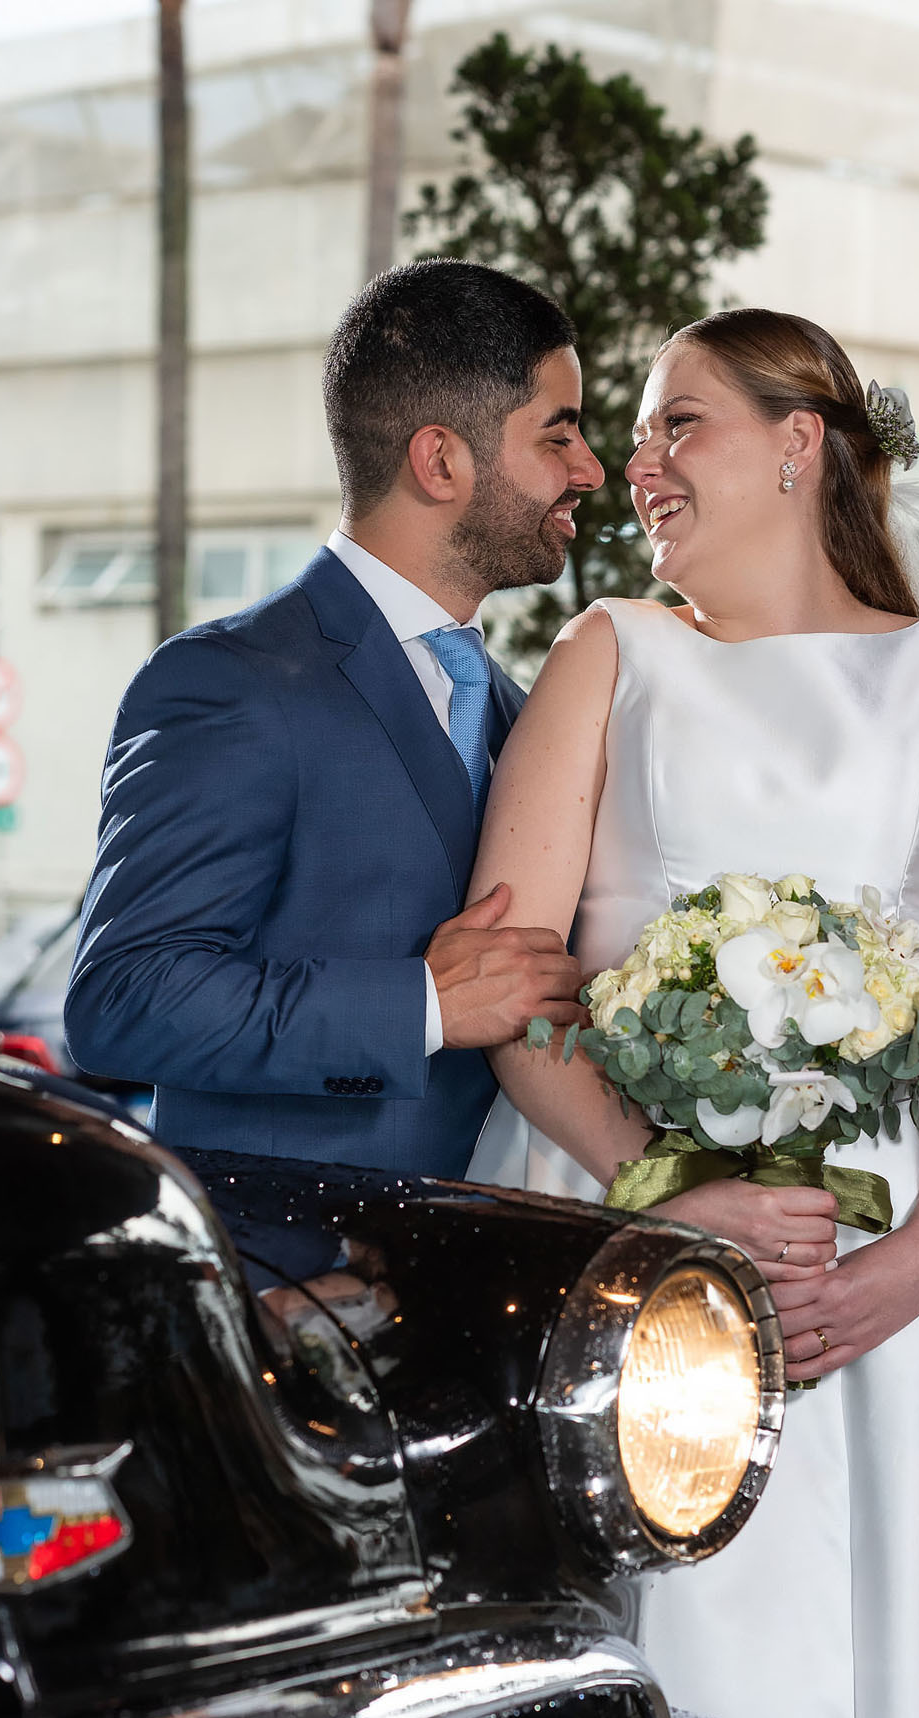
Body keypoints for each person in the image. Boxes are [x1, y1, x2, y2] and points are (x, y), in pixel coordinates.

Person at [464, 308, 919, 1718]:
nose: (640, 463)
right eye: (632, 436)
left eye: (676, 422)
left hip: (902, 1269)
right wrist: (662, 1182)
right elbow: (516, 982)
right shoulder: (608, 650)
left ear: (797, 444)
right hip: (638, 1229)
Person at [64, 259, 601, 1282]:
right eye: (558, 432)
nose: (589, 470)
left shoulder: (531, 716)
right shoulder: (230, 684)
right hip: (281, 1302)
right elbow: (123, 998)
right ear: (440, 461)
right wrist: (423, 1007)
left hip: (498, 1290)